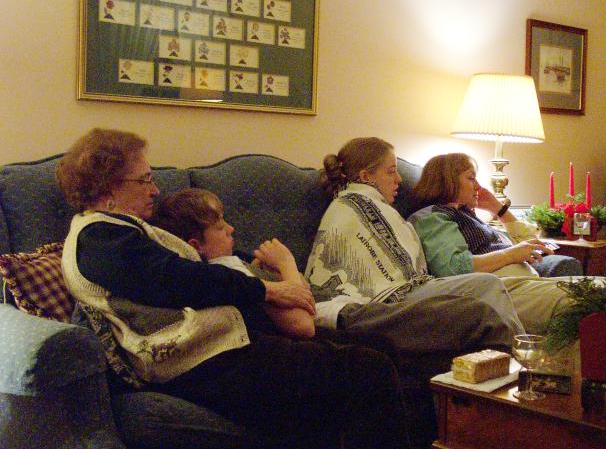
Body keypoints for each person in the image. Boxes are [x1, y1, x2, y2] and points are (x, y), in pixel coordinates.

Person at [57, 128, 411, 449]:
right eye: (144, 179)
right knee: (368, 368)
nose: (155, 189)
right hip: (199, 362)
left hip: (224, 345)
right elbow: (181, 280)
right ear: (108, 188)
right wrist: (268, 291)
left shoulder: (121, 231)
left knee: (381, 346)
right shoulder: (98, 238)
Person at [304, 137, 524, 372]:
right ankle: (521, 363)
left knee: (488, 288)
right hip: (392, 295)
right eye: (391, 172)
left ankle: (507, 364)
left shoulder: (373, 205)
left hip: (408, 287)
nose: (399, 179)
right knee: (487, 285)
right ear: (366, 176)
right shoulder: (350, 205)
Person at [409, 153, 606, 333]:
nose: (478, 186)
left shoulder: (469, 216)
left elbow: (531, 245)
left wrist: (499, 210)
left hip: (526, 284)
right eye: (471, 178)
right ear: (447, 181)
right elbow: (454, 268)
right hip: (502, 292)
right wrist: (511, 255)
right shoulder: (434, 217)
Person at [152, 187, 314, 339]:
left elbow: (306, 293)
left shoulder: (236, 259)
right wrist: (286, 262)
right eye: (220, 227)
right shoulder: (226, 269)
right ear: (196, 246)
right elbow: (304, 325)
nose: (231, 229)